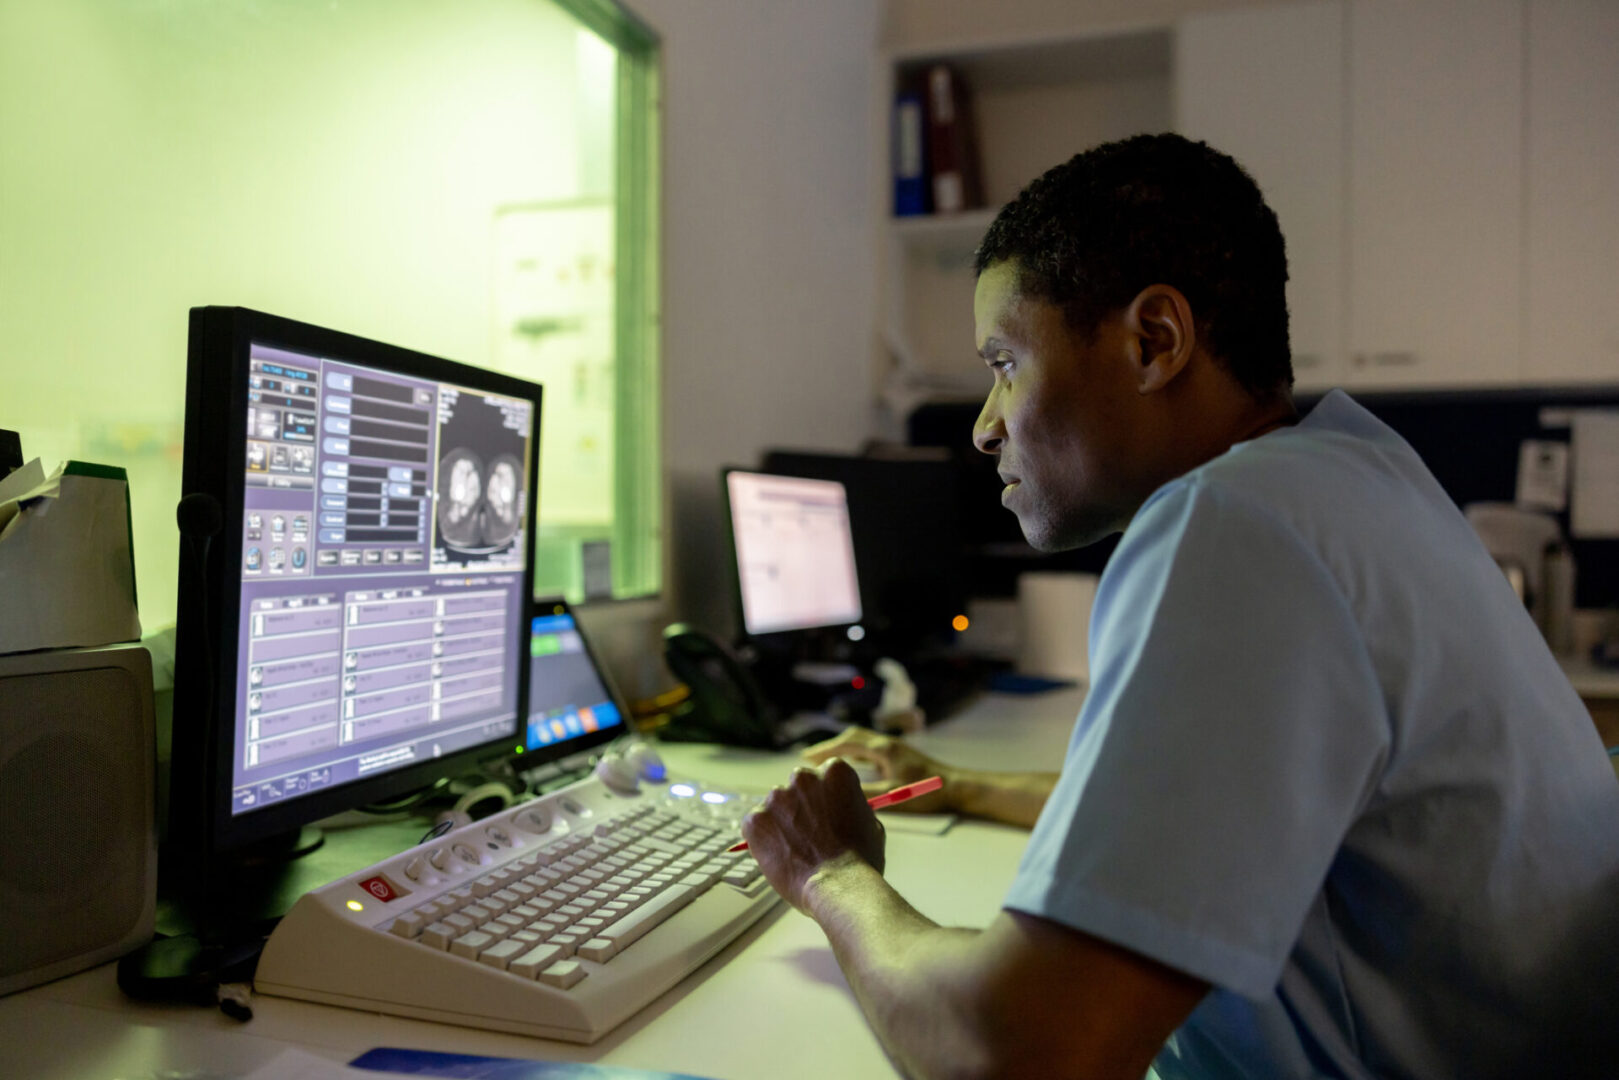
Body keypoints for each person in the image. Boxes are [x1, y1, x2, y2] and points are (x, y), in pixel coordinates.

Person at [738, 134, 1619, 1079]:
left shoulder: (1235, 523)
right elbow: (1217, 812)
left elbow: (1014, 1053)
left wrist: (830, 872)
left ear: (1153, 342)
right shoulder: (1363, 480)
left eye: (1004, 363)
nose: (985, 426)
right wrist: (956, 783)